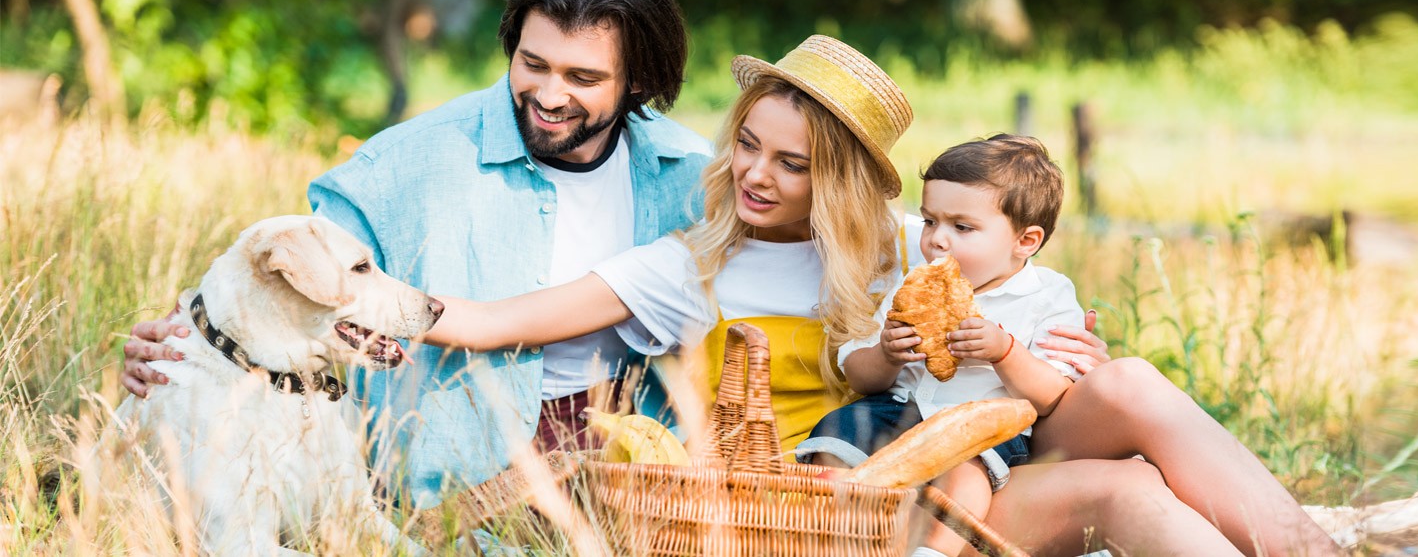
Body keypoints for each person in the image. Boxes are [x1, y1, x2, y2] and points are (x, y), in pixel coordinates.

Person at [419, 35, 1343, 556]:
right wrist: (365, 296)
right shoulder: (687, 265)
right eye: (749, 146)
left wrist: (1065, 349)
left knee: (1133, 384)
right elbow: (497, 323)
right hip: (832, 508)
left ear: (846, 181)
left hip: (988, 449)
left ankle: (1308, 554)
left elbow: (1016, 286)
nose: (757, 176)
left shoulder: (915, 246)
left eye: (794, 163)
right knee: (1128, 495)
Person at [118, 0, 713, 507]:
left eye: (582, 78)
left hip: (642, 463)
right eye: (533, 64)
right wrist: (188, 347)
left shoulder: (693, 178)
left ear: (637, 81)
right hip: (460, 474)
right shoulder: (403, 164)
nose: (548, 95)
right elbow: (287, 288)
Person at [799, 134, 1082, 557]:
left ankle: (934, 550)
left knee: (967, 471)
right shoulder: (913, 284)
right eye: (930, 221)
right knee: (836, 435)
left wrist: (1005, 352)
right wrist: (886, 354)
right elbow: (858, 375)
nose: (936, 240)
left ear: (1026, 241)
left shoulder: (1048, 295)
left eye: (961, 227)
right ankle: (832, 533)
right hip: (899, 408)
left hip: (983, 425)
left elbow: (1052, 395)